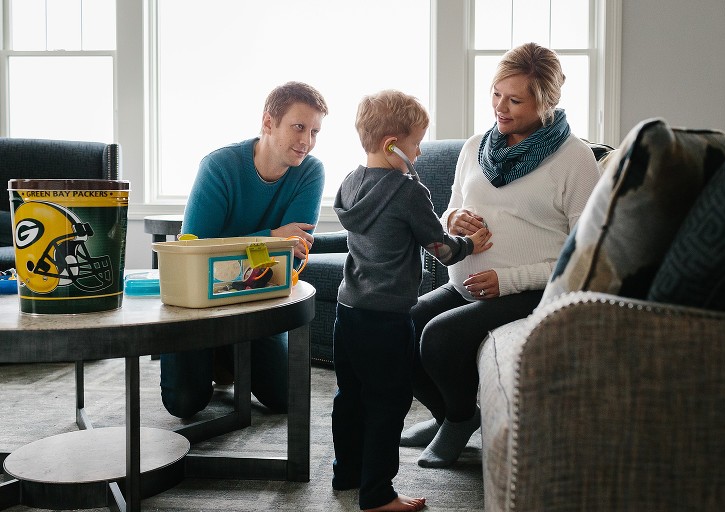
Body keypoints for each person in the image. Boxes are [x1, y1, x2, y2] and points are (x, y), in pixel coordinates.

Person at [400, 42, 601, 468]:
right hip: (467, 284)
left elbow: (585, 255)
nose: (500, 107)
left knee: (439, 337)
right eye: (496, 94)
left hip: (529, 292)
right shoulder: (475, 146)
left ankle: (456, 421)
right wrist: (454, 221)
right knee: (398, 327)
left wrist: (507, 281)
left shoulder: (576, 159)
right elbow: (450, 207)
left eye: (515, 100)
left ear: (547, 101)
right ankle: (450, 416)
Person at [331, 90, 492, 512]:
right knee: (388, 401)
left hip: (347, 309)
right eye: (417, 143)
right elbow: (439, 248)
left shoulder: (350, 182)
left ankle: (346, 472)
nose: (420, 152)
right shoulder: (407, 191)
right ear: (392, 146)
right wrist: (470, 242)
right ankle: (378, 495)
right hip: (386, 316)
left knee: (350, 395)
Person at [159, 81, 328, 419]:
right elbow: (193, 250)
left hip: (258, 298)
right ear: (268, 122)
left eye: (314, 132)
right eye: (299, 127)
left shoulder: (310, 171)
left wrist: (260, 243)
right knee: (183, 405)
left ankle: (227, 355)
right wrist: (271, 237)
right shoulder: (219, 166)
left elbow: (291, 254)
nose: (306, 142)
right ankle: (218, 353)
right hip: (200, 305)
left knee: (286, 399)